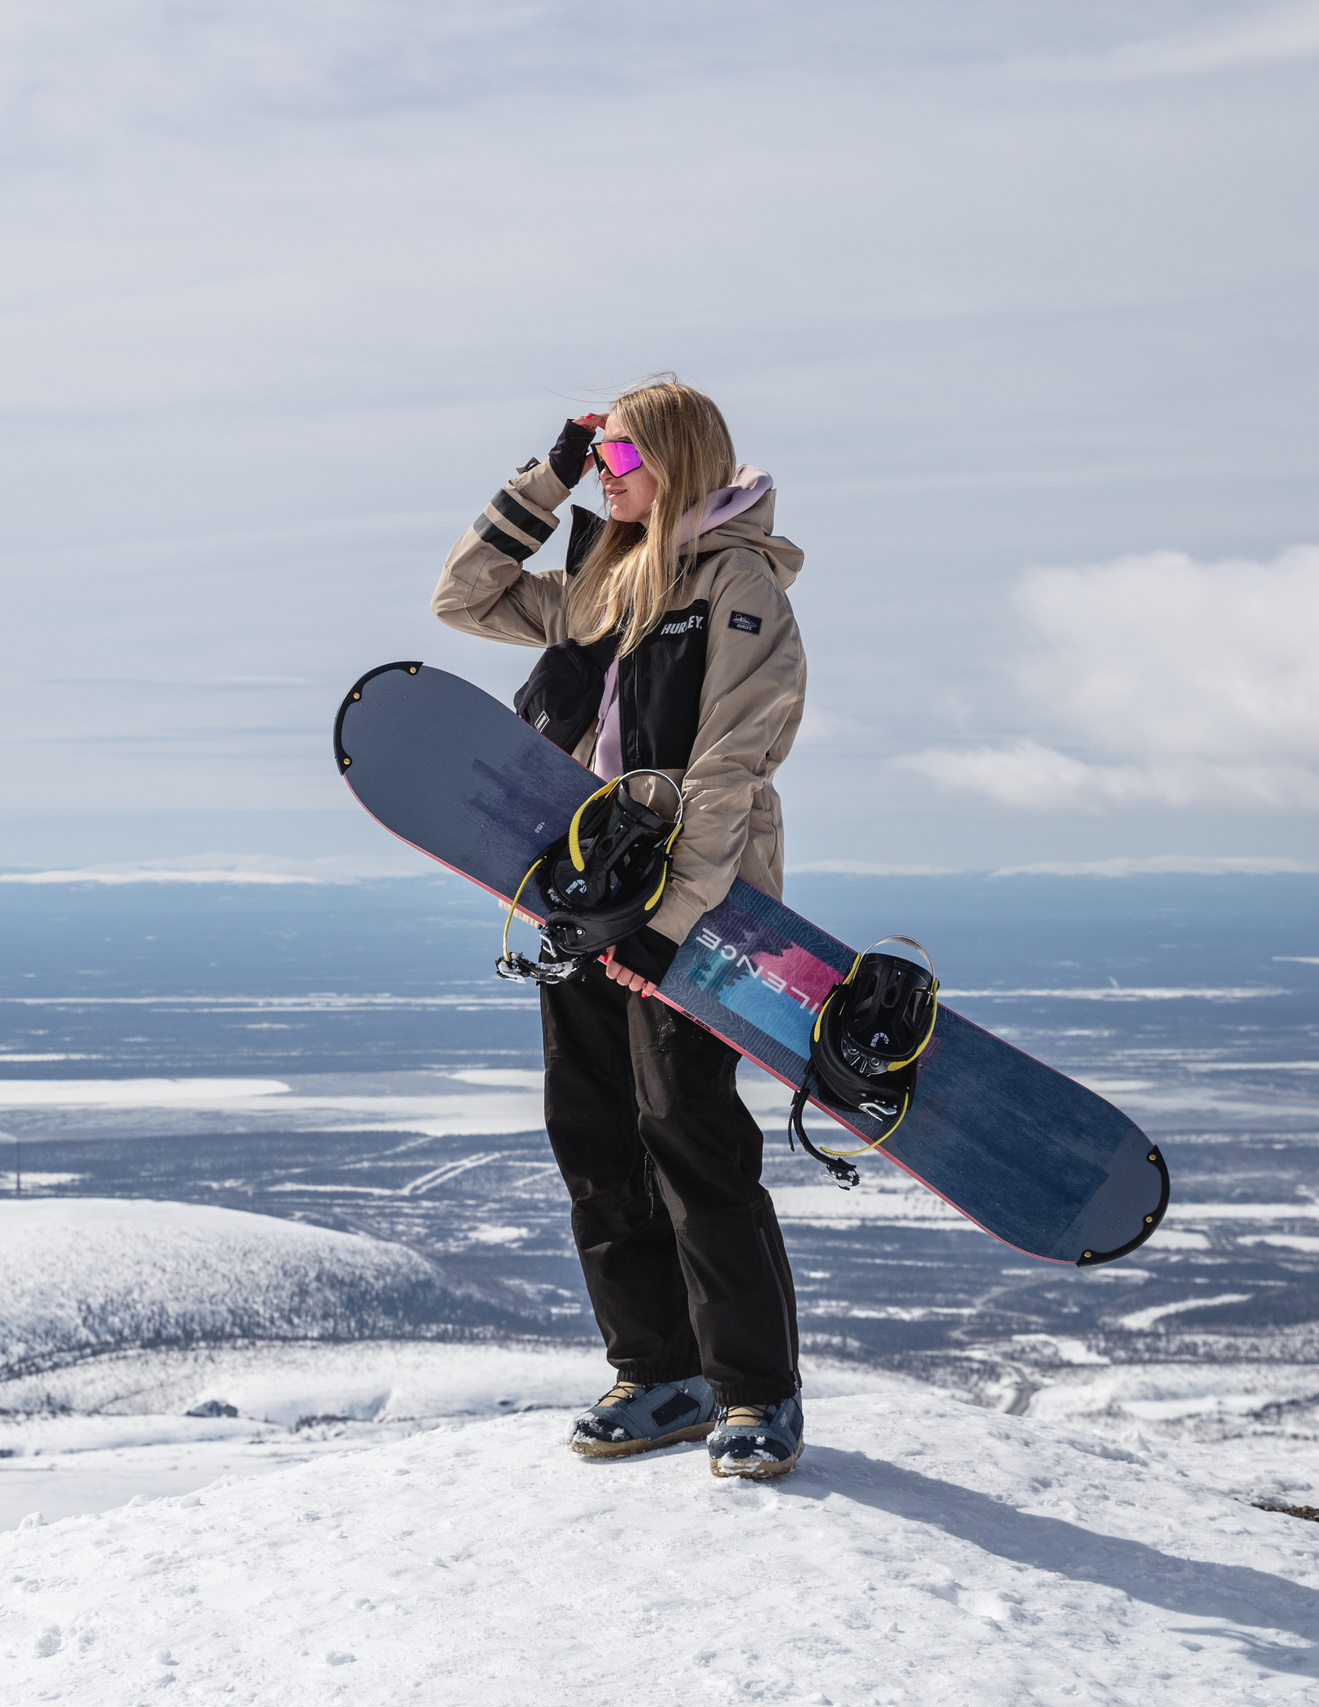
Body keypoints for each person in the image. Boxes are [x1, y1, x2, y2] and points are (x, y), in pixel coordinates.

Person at [432, 378, 810, 1478]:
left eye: (623, 462)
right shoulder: (602, 585)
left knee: (688, 1134)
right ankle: (658, 1372)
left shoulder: (740, 586)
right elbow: (464, 595)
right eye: (600, 462)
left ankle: (752, 1392)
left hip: (691, 912)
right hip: (575, 894)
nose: (608, 476)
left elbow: (729, 764)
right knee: (593, 1138)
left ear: (683, 462)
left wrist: (672, 923)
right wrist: (546, 470)